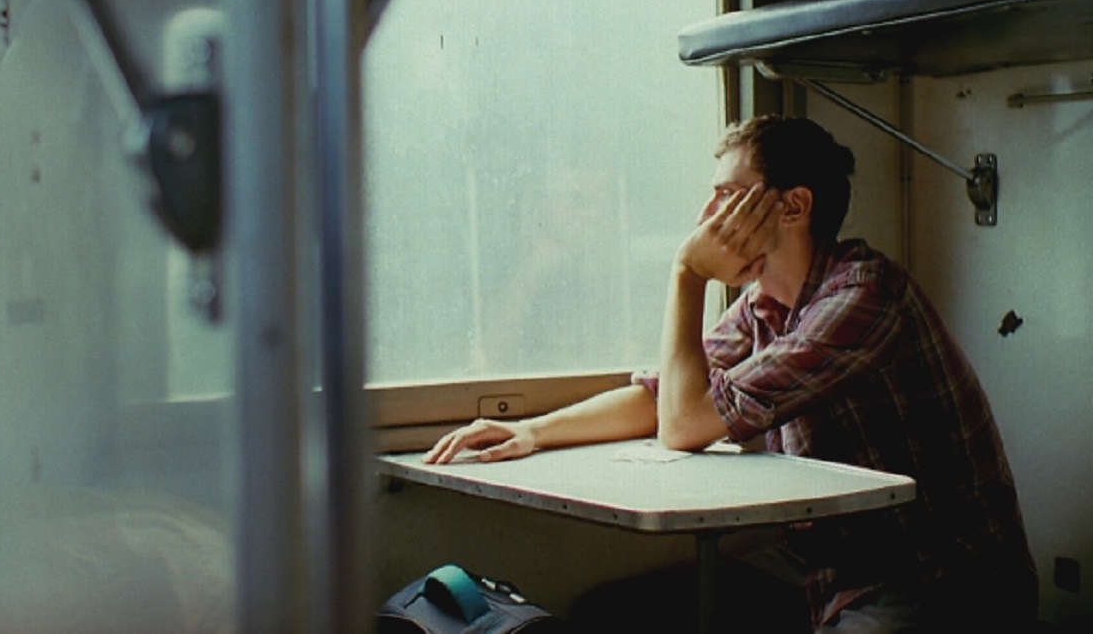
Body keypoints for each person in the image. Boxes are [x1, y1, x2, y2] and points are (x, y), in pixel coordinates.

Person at [423, 115, 1038, 633]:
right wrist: (532, 431)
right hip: (826, 563)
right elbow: (662, 400)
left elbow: (683, 424)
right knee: (613, 614)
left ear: (793, 206)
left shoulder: (865, 296)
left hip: (937, 577)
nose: (705, 216)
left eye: (725, 195)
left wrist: (687, 273)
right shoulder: (763, 304)